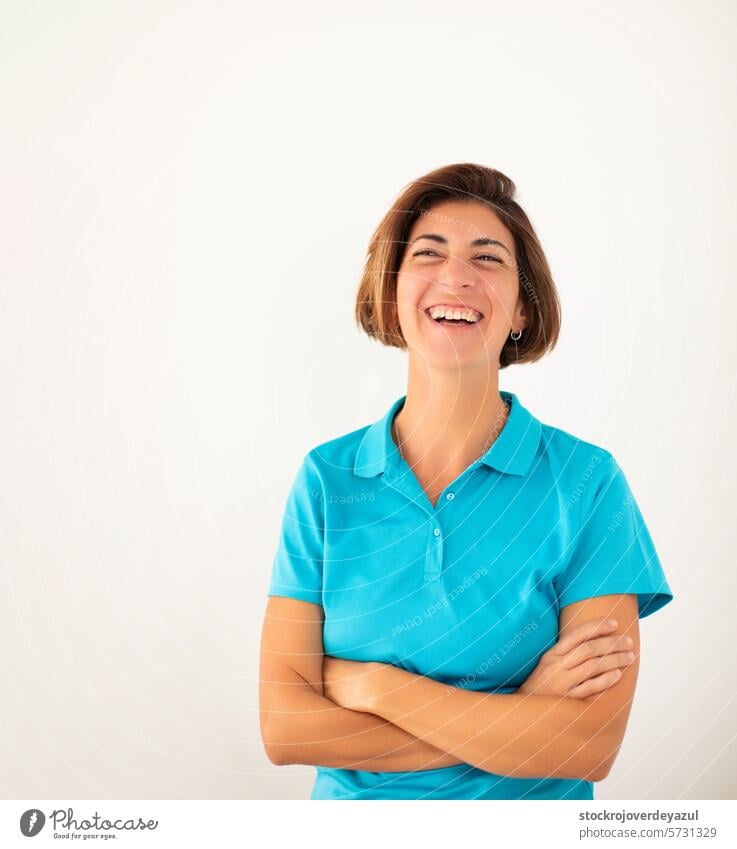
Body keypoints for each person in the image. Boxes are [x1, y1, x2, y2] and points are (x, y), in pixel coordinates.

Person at [259, 163, 674, 800]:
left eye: (488, 258)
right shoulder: (326, 479)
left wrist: (377, 688)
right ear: (391, 294)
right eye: (429, 254)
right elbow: (286, 728)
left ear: (521, 310)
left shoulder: (587, 483)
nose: (456, 276)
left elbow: (589, 744)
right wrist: (522, 714)